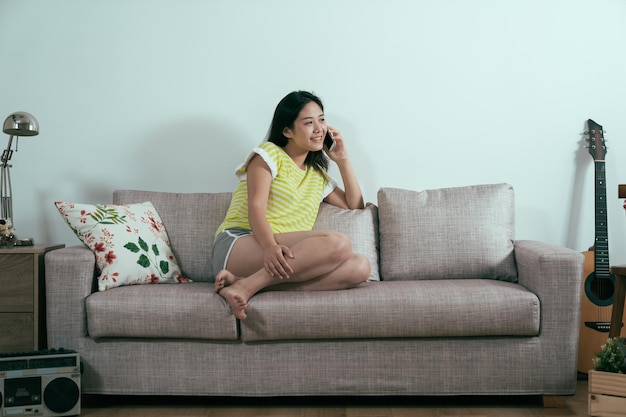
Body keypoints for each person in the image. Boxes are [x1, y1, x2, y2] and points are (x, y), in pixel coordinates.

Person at [212, 90, 371, 320]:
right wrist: (269, 247)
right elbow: (255, 207)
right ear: (287, 131)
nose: (319, 128)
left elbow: (354, 206)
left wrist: (343, 160)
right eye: (308, 122)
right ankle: (245, 289)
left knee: (360, 267)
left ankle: (244, 283)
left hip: (282, 256)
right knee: (339, 243)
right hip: (241, 242)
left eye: (322, 119)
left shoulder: (318, 176)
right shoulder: (268, 155)